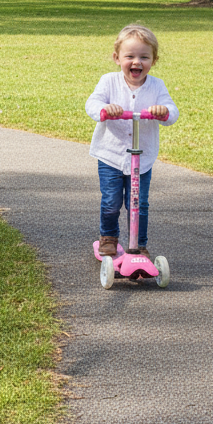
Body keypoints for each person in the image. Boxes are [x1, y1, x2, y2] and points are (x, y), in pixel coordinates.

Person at [85, 24, 178, 256]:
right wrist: (105, 109)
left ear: (153, 61)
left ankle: (139, 246)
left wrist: (163, 111)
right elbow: (92, 103)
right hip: (111, 155)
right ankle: (108, 238)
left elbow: (172, 111)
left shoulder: (157, 86)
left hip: (142, 158)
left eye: (144, 57)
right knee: (111, 202)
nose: (137, 62)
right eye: (130, 56)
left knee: (139, 205)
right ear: (117, 58)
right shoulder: (108, 81)